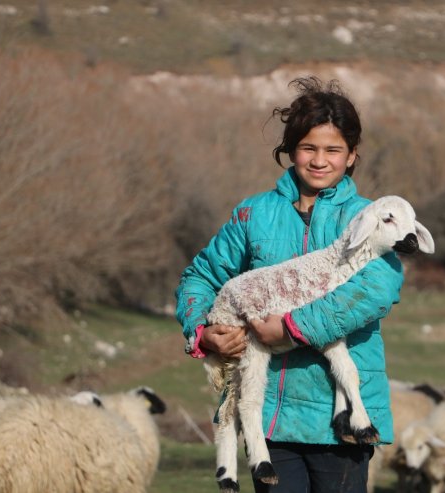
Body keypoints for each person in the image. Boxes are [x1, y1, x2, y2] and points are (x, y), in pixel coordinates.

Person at [175, 76, 404, 493]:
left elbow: (376, 289)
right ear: (289, 152)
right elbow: (201, 277)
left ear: (352, 156)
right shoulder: (254, 214)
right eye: (308, 148)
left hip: (340, 422)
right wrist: (204, 331)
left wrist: (291, 328)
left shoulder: (371, 218)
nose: (320, 160)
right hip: (269, 419)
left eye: (333, 150)